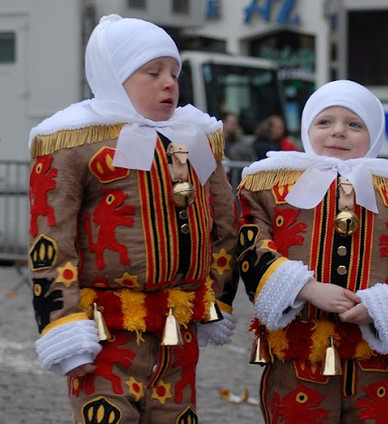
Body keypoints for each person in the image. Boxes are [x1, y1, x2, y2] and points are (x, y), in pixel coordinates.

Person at [28, 15, 238, 423]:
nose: (169, 83)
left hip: (178, 327)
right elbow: (51, 241)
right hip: (105, 332)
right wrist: (65, 328)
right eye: (152, 72)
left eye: (174, 72)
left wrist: (217, 299)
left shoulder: (193, 137)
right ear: (113, 76)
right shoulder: (75, 142)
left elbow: (224, 225)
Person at [237, 79, 388, 423]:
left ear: (374, 133)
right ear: (306, 128)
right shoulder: (271, 186)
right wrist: (305, 288)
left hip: (371, 359)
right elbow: (251, 243)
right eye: (325, 122)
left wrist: (382, 305)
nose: (338, 132)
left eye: (354, 124)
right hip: (297, 351)